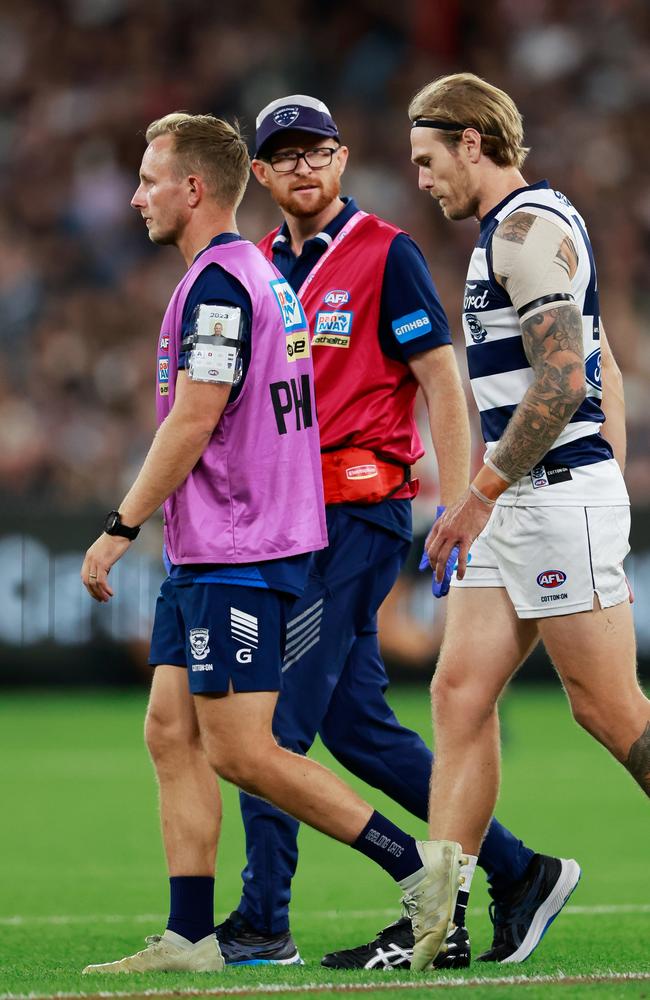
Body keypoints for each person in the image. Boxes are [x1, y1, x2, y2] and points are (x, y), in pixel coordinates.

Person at [79, 111, 462, 974]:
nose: (135, 196)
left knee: (247, 749)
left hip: (239, 547)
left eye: (148, 179)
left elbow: (197, 415)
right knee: (170, 733)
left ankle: (420, 869)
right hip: (213, 546)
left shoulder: (221, 284)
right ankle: (189, 937)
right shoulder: (261, 274)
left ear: (193, 188)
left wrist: (119, 525)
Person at [214, 94, 579, 971]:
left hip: (357, 514)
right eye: (285, 154)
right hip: (284, 524)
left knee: (269, 724)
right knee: (359, 731)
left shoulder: (385, 253)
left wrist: (457, 509)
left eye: (319, 150)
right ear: (258, 174)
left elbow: (442, 387)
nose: (304, 165)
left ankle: (265, 918)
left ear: (342, 160)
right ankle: (518, 870)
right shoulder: (257, 266)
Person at [408, 72, 650, 971]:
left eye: (429, 160)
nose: (423, 179)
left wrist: (506, 492)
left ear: (473, 142)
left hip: (537, 496)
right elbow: (604, 363)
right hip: (519, 497)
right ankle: (440, 923)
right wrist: (596, 469)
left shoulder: (528, 230)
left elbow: (562, 383)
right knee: (458, 695)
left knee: (608, 709)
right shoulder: (506, 236)